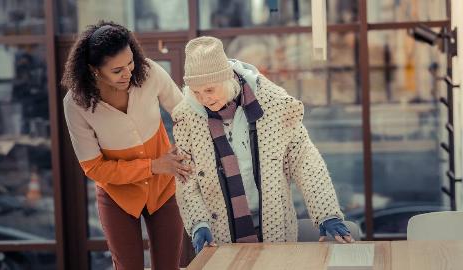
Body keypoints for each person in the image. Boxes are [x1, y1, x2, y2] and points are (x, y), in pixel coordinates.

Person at [172, 36, 354, 254]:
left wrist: (327, 213)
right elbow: (186, 179)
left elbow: (305, 160)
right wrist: (199, 224)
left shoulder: (273, 103)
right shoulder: (187, 118)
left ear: (227, 79)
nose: (204, 99)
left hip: (275, 225)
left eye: (209, 90)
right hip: (219, 234)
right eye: (196, 92)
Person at [61, 21, 191, 270]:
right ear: (94, 69)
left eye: (130, 62)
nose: (128, 73)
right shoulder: (76, 104)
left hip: (163, 190)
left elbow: (184, 113)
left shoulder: (150, 72)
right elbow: (94, 168)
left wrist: (180, 149)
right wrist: (153, 166)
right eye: (117, 70)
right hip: (117, 198)